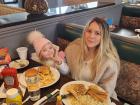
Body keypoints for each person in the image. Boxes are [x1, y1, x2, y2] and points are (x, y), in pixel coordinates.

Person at [64, 17, 120, 99]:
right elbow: (67, 68)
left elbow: (104, 94)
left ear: (103, 37)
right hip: (74, 96)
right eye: (89, 31)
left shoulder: (109, 63)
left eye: (97, 33)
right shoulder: (74, 47)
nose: (91, 36)